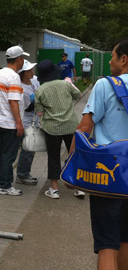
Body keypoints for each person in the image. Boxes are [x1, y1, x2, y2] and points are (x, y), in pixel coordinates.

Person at [76, 38, 128, 270]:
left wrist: (74, 169)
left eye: (113, 57)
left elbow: (85, 127)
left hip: (110, 177)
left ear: (124, 60)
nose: (109, 62)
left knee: (107, 242)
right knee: (126, 238)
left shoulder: (105, 86)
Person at [34, 60, 83, 200]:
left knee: (53, 156)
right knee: (73, 154)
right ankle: (78, 188)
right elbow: (78, 95)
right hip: (70, 125)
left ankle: (54, 190)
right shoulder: (65, 84)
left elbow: (39, 112)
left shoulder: (40, 90)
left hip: (52, 128)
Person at [0, 45, 28, 196]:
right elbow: (13, 101)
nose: (23, 61)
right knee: (8, 155)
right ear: (18, 59)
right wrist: (19, 123)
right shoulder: (14, 77)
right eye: (23, 58)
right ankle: (4, 185)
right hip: (9, 122)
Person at [15, 60, 40, 185]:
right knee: (27, 148)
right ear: (23, 73)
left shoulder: (34, 81)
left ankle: (25, 172)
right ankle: (22, 175)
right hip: (26, 121)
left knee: (31, 149)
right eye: (29, 70)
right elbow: (27, 107)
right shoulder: (21, 88)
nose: (32, 72)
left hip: (35, 120)